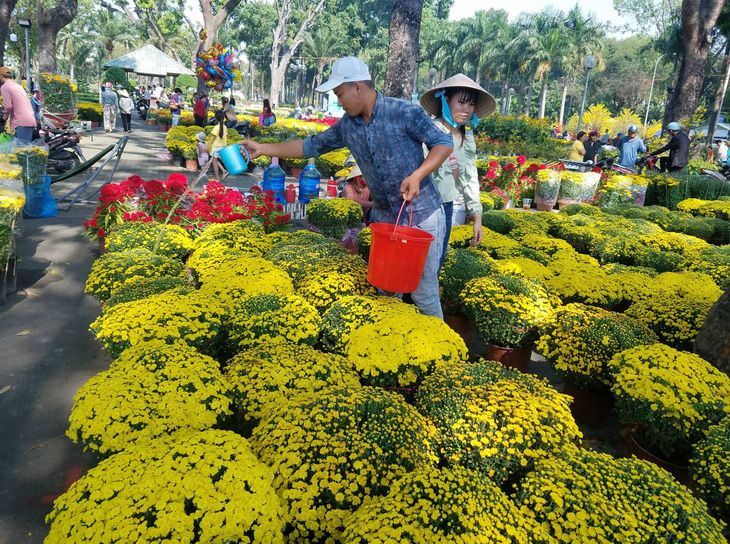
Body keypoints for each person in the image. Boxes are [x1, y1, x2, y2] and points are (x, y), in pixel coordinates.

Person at [242, 56, 454, 319]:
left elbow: (443, 142)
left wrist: (418, 175)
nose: (339, 102)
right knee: (386, 289)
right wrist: (261, 148)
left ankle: (441, 356)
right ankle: (390, 349)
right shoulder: (347, 126)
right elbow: (310, 146)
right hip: (386, 219)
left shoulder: (403, 112)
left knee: (424, 292)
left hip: (422, 215)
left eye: (340, 94)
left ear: (357, 87)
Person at [420, 73, 494, 270]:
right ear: (445, 100)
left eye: (470, 105)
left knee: (434, 266)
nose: (466, 109)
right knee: (415, 265)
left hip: (445, 208)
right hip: (421, 209)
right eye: (461, 102)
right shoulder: (427, 131)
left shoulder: (466, 138)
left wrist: (476, 217)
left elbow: (470, 179)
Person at [0, 67, 38, 143]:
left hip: (21, 122)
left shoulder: (5, 87)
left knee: (23, 151)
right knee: (14, 150)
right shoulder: (17, 86)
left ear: (1, 76)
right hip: (27, 120)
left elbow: (8, 106)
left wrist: (4, 118)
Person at [208, 110, 228, 182]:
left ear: (216, 118)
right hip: (223, 146)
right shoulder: (225, 127)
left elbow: (212, 138)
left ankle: (217, 178)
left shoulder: (216, 127)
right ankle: (223, 171)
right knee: (215, 160)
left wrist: (207, 145)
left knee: (214, 161)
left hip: (216, 146)